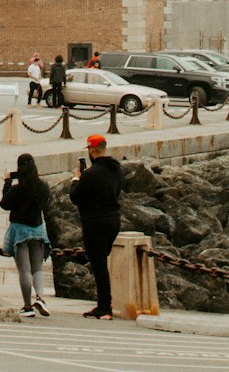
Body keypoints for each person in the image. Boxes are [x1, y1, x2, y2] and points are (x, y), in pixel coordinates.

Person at [69, 132, 123, 320]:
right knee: (102, 261)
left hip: (95, 222)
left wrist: (76, 178)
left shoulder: (90, 174)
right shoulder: (117, 169)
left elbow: (75, 197)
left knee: (99, 263)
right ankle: (105, 304)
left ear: (92, 150)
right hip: (114, 220)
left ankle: (104, 307)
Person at [0, 152, 55, 317]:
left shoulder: (17, 189)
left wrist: (7, 183)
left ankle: (27, 306)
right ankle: (40, 297)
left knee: (24, 270)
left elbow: (5, 204)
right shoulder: (43, 186)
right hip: (38, 229)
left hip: (20, 231)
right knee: (37, 268)